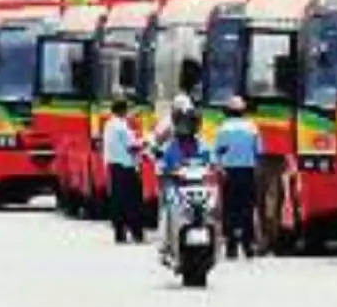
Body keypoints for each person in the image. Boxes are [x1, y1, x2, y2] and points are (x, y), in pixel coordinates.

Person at [156, 96, 211, 264]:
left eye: (190, 123)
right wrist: (166, 170)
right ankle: (165, 246)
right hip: (175, 186)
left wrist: (216, 167)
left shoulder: (202, 145)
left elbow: (211, 159)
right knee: (168, 209)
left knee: (212, 209)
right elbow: (162, 163)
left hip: (198, 186)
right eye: (183, 122)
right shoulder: (171, 146)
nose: (186, 126)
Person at [214, 95, 262, 260]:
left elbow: (217, 153)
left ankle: (231, 247)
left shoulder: (223, 129)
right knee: (247, 209)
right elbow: (259, 151)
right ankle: (248, 246)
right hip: (247, 172)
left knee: (230, 209)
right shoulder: (252, 128)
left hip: (229, 173)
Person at [101, 98, 144, 244]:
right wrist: (143, 143)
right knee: (133, 202)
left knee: (117, 201)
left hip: (114, 167)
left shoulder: (108, 124)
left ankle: (120, 234)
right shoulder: (121, 126)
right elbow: (131, 146)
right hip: (127, 168)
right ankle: (137, 233)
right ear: (122, 110)